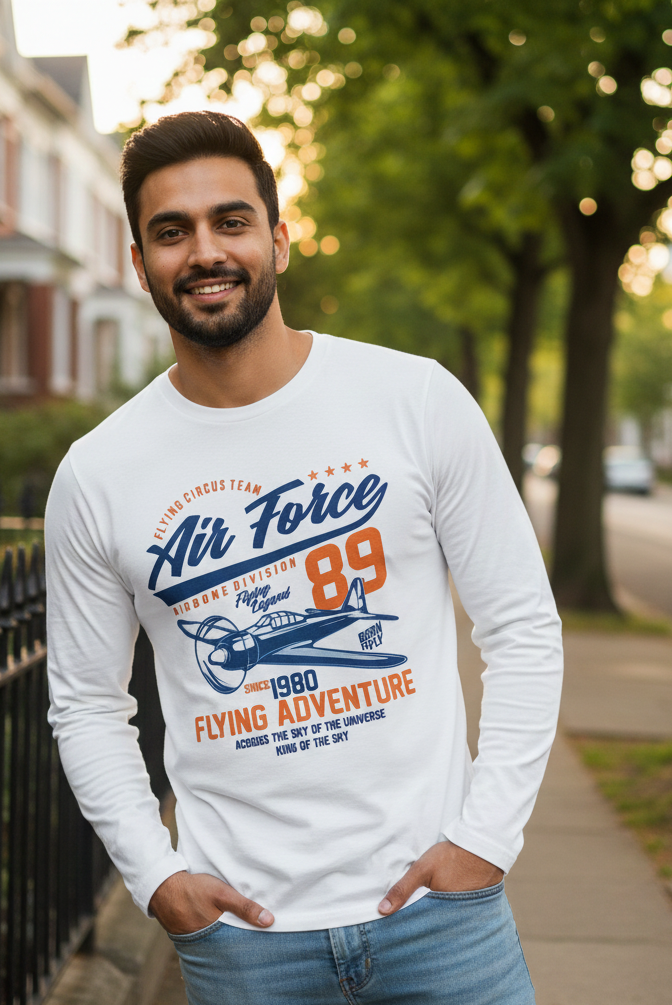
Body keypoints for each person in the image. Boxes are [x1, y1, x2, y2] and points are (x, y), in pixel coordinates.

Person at [45, 110, 563, 1005]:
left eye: (231, 221)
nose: (204, 250)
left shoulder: (415, 401)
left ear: (280, 241)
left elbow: (521, 627)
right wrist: (157, 878)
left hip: (443, 924)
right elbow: (88, 701)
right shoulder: (99, 474)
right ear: (139, 264)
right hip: (247, 945)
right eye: (171, 232)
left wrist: (487, 837)